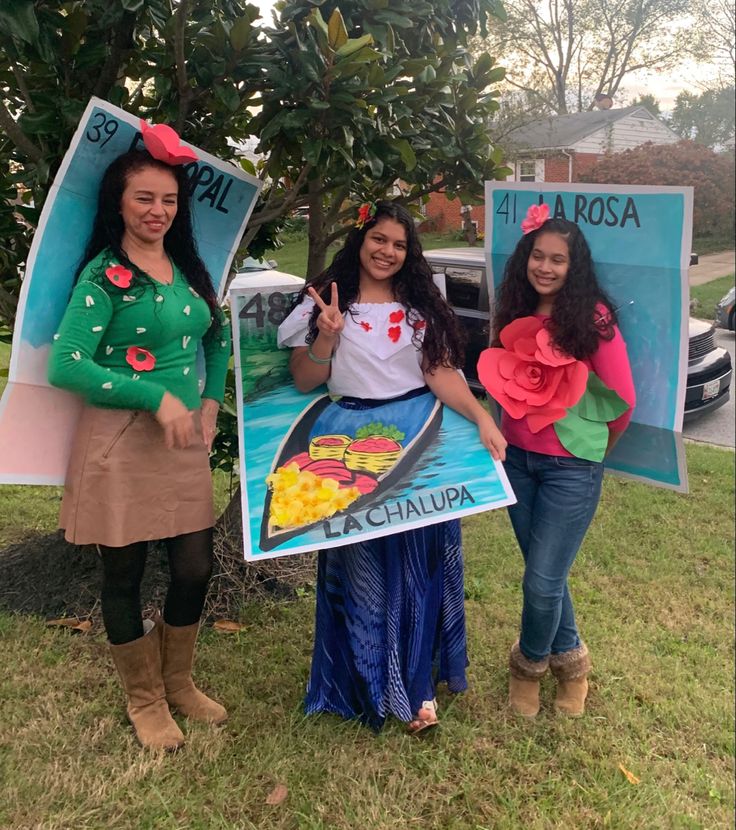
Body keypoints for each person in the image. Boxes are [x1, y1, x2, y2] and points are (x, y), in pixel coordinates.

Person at [277, 200, 507, 733]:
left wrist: (480, 417)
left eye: (400, 244)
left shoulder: (421, 306)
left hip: (417, 439)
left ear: (410, 253)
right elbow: (304, 381)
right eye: (379, 239)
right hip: (349, 445)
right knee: (361, 567)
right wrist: (328, 335)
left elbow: (439, 375)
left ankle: (419, 688)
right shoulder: (325, 302)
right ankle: (363, 683)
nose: (388, 251)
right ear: (361, 240)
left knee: (419, 564)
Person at [48, 142, 231, 750]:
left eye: (169, 200)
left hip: (182, 442)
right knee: (124, 574)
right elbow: (67, 366)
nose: (158, 210)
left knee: (193, 568)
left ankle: (178, 681)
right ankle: (145, 699)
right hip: (121, 440)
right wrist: (155, 397)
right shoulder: (105, 274)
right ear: (119, 203)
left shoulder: (187, 268)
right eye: (144, 197)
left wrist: (208, 403)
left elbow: (216, 336)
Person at [478, 204, 636, 718]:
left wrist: (591, 455)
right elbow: (502, 383)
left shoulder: (593, 318)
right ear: (526, 258)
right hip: (518, 462)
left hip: (572, 470)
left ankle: (528, 665)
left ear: (575, 266)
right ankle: (575, 664)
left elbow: (622, 400)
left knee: (541, 581)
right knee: (545, 576)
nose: (545, 267)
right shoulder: (515, 311)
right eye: (538, 256)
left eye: (559, 260)